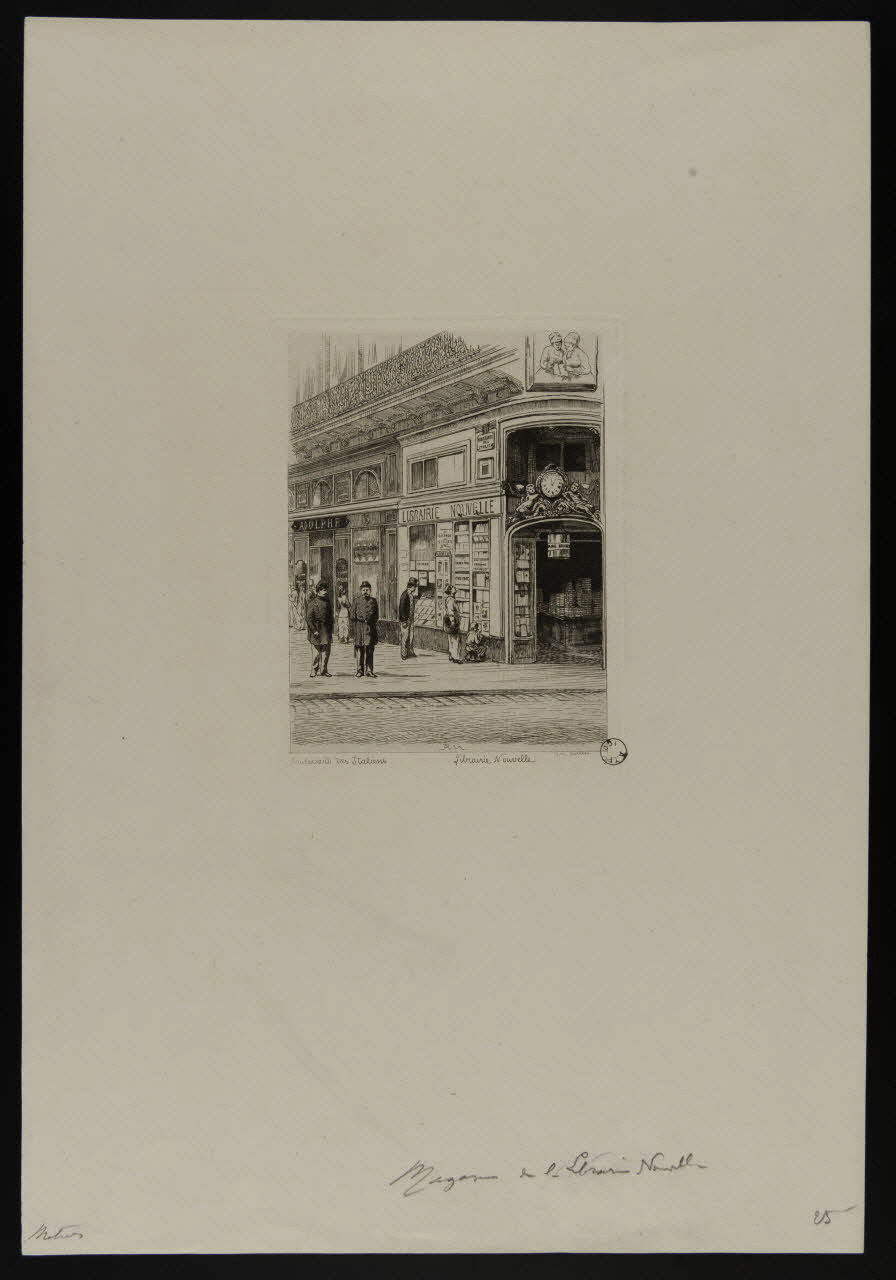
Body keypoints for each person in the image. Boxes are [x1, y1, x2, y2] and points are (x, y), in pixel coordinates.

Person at [351, 580, 379, 677]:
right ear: (360, 591)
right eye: (363, 590)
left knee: (370, 650)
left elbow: (376, 616)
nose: (365, 591)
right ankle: (360, 670)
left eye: (367, 589)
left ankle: (369, 670)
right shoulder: (356, 600)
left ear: (370, 590)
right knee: (360, 649)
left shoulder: (373, 601)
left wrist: (370, 622)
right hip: (359, 628)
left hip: (370, 628)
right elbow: (352, 616)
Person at [306, 580, 333, 678]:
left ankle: (324, 670)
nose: (325, 591)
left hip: (326, 630)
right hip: (316, 631)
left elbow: (330, 617)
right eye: (322, 590)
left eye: (325, 589)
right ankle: (314, 670)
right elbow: (309, 619)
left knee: (326, 653)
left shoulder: (327, 603)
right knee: (317, 653)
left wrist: (331, 630)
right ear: (318, 591)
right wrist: (314, 630)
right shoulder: (313, 603)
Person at [398, 576, 419, 659]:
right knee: (405, 637)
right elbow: (402, 609)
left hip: (410, 619)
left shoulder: (411, 595)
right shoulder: (404, 595)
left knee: (411, 636)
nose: (415, 588)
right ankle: (403, 653)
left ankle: (410, 651)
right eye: (415, 586)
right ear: (411, 586)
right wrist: (403, 620)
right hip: (405, 620)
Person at [443, 585, 463, 663]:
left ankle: (451, 655)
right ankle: (456, 657)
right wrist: (453, 622)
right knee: (456, 639)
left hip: (450, 621)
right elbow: (451, 611)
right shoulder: (451, 600)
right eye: (453, 588)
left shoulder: (449, 599)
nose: (455, 589)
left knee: (451, 639)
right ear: (451, 591)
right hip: (452, 621)